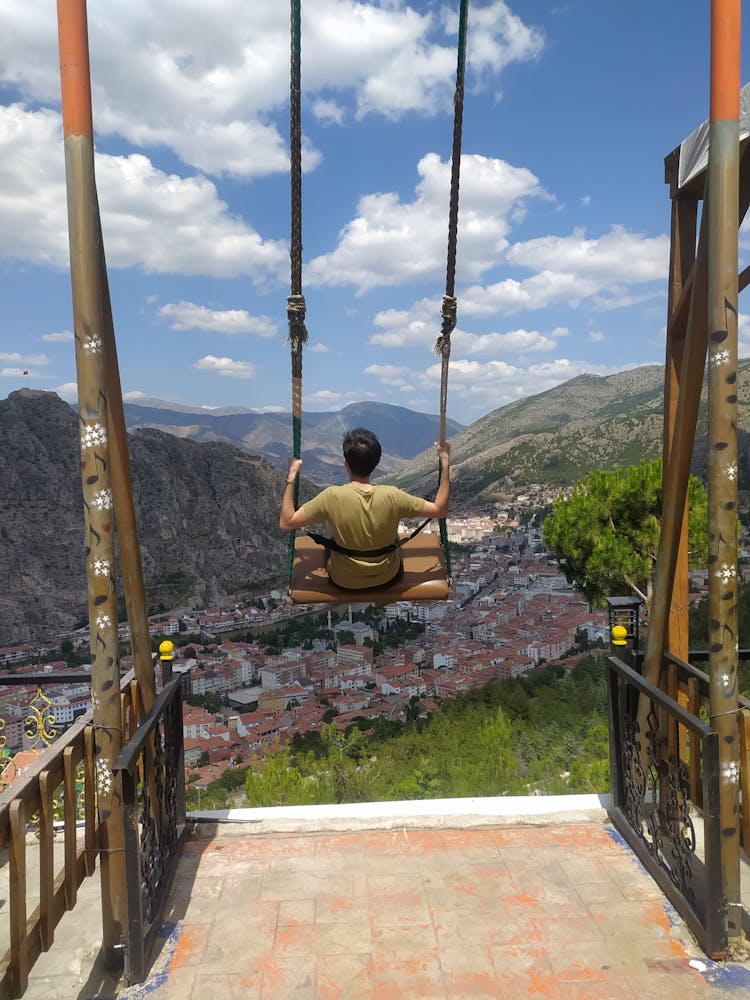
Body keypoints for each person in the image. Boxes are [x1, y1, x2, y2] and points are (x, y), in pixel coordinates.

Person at [279, 427, 451, 590]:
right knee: (393, 531)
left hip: (343, 580)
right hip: (388, 577)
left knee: (331, 529)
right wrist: (445, 462)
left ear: (345, 462)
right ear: (376, 462)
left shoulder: (331, 496)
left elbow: (287, 522)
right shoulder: (393, 495)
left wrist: (292, 475)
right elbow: (439, 510)